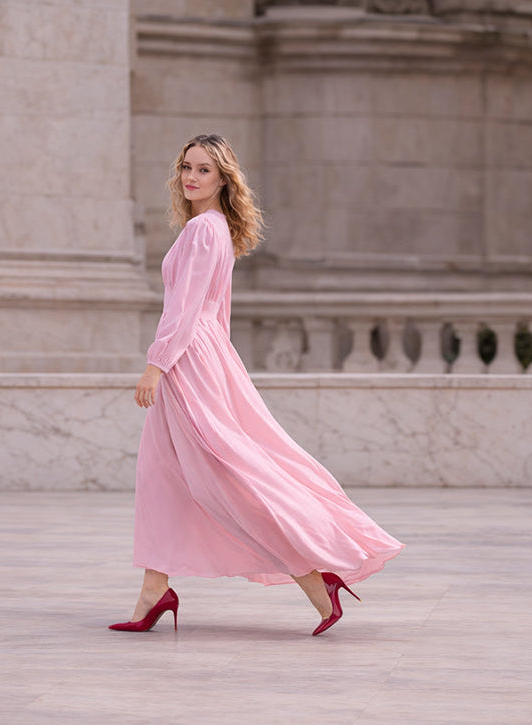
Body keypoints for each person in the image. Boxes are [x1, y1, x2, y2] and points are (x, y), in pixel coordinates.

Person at [110, 134, 403, 636]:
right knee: (162, 475)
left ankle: (314, 577)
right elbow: (215, 310)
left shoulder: (205, 230)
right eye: (186, 167)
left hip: (185, 357)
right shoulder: (211, 228)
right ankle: (154, 590)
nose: (191, 177)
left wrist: (157, 364)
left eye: (203, 170)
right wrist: (216, 362)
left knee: (227, 476)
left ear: (223, 178)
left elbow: (185, 310)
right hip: (200, 354)